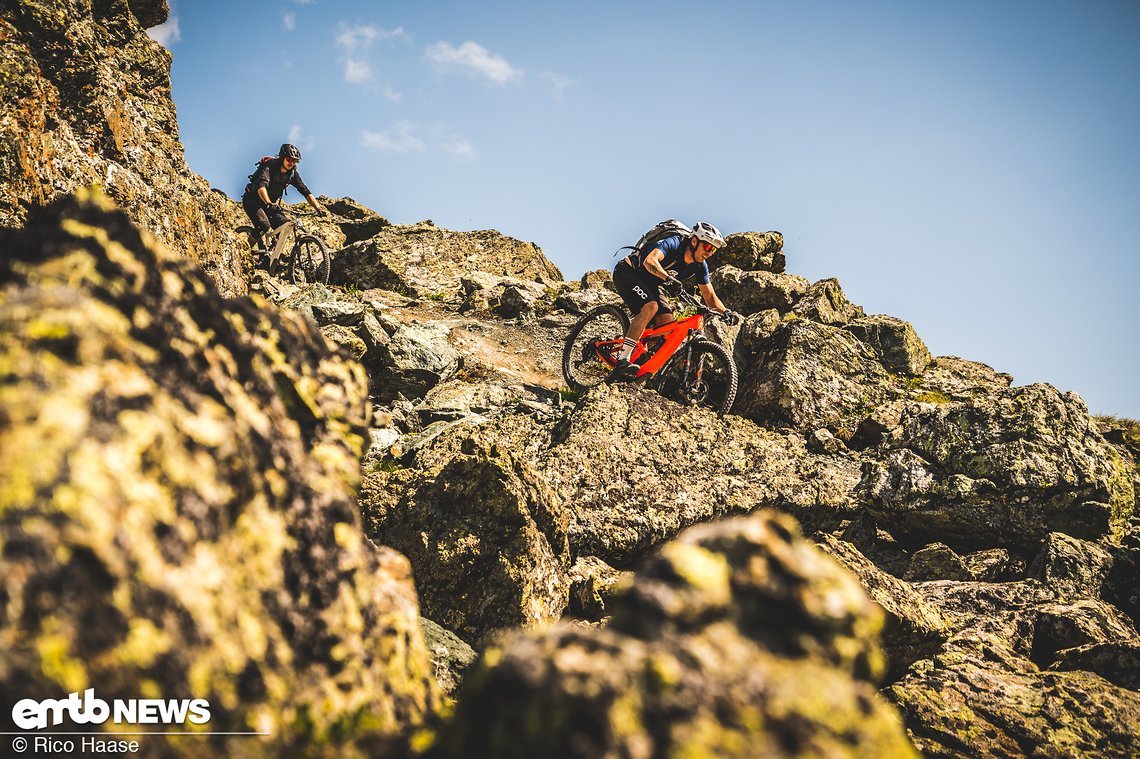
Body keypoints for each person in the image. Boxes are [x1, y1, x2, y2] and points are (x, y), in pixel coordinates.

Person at [609, 220, 737, 382]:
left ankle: (640, 359)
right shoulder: (674, 243)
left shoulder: (699, 266)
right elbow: (650, 261)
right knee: (651, 307)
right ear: (694, 241)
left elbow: (709, 297)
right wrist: (668, 278)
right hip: (628, 273)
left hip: (652, 284)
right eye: (708, 247)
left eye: (713, 250)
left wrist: (725, 312)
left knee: (667, 325)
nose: (709, 253)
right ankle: (623, 360)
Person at [241, 143, 327, 264]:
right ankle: (241, 251)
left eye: (295, 161)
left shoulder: (292, 174)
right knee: (264, 225)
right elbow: (261, 187)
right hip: (253, 201)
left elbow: (305, 191)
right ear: (282, 157)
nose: (291, 163)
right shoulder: (269, 166)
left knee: (286, 225)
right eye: (289, 159)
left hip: (269, 205)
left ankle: (272, 256)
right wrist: (269, 203)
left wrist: (318, 208)